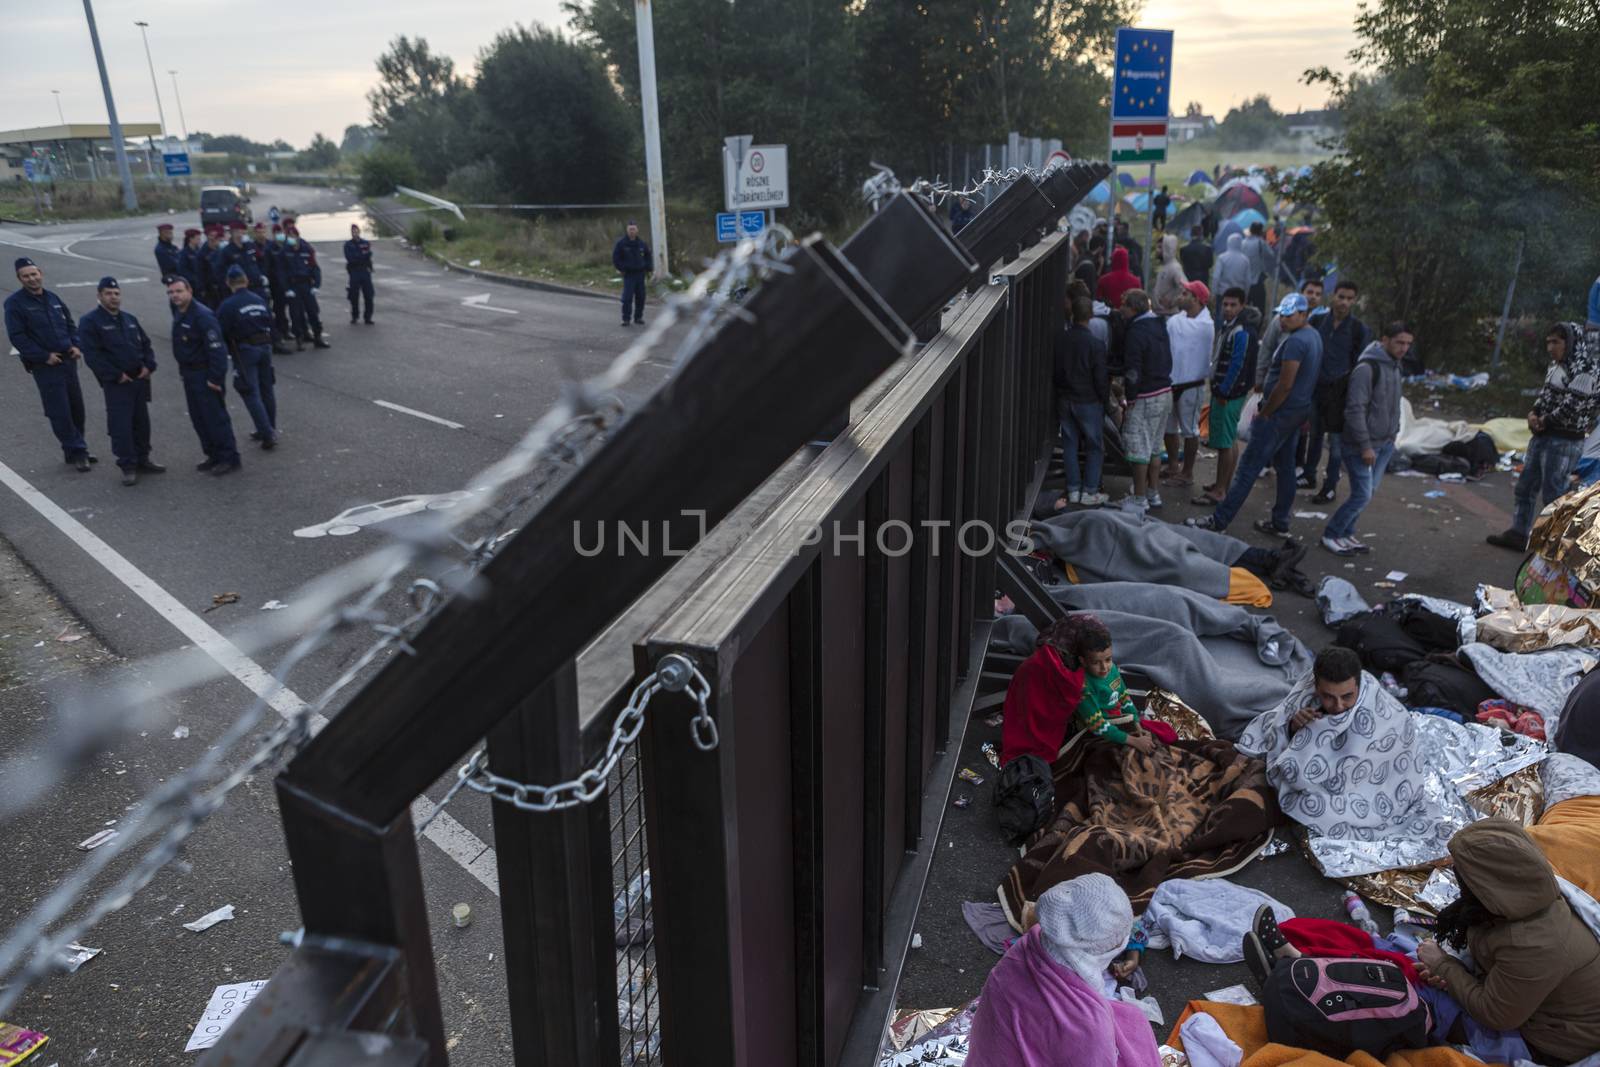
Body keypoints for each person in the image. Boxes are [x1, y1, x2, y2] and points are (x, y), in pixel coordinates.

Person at [1416, 819, 1600, 1066]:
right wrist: (1452, 968)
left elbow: (1496, 1014)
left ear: (1486, 884)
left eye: (1462, 873)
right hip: (1535, 1007)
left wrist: (1444, 966)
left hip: (1555, 1041)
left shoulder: (1533, 944)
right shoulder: (1524, 898)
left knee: (1422, 1009)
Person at [967, 874, 1163, 1067]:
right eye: (1121, 939)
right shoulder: (1089, 1025)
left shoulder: (1028, 945)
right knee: (1136, 1025)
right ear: (1101, 951)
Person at [1186, 291, 1322, 534]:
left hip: (1279, 413)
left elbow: (1285, 384)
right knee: (1286, 467)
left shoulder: (1297, 342)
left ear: (1304, 314)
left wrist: (1266, 412)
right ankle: (1280, 522)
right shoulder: (1312, 336)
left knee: (1247, 470)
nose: (1283, 320)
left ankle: (1219, 521)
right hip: (1295, 412)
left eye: (1289, 316)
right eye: (1282, 315)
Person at [1488, 323, 1600, 550]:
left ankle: (1553, 543)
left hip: (1565, 441)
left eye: (1555, 342)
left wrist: (1544, 421)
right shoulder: (1556, 366)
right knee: (1526, 486)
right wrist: (1533, 414)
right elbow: (1545, 395)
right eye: (1548, 342)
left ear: (1570, 343)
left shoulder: (1586, 370)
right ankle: (1519, 533)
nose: (1550, 347)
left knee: (1555, 494)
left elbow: (1574, 406)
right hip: (1543, 436)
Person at [1322, 322, 1410, 556]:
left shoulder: (1395, 366)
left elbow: (1394, 403)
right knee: (1362, 494)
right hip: (1363, 444)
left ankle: (1347, 532)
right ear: (1385, 340)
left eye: (1408, 344)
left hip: (1385, 443)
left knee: (1367, 492)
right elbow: (1354, 409)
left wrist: (1394, 432)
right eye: (1399, 342)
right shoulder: (1367, 368)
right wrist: (1365, 446)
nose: (1404, 348)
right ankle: (1331, 533)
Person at [5, 258, 95, 471]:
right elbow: (18, 337)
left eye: (34, 274)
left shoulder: (53, 298)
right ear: (19, 279)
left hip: (68, 361)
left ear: (41, 273)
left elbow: (70, 324)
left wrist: (76, 345)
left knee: (76, 409)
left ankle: (73, 449)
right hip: (46, 365)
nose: (31, 279)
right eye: (26, 276)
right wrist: (44, 356)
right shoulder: (15, 304)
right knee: (59, 411)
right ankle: (78, 451)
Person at [77, 277, 164, 486]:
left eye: (116, 293)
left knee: (142, 423)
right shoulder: (90, 322)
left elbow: (145, 344)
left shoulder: (129, 319)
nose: (113, 297)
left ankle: (143, 459)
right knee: (121, 426)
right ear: (99, 296)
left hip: (139, 380)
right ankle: (128, 465)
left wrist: (148, 366)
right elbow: (93, 356)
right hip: (117, 383)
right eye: (108, 293)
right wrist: (116, 375)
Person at [1302, 280, 1371, 501]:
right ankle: (1308, 474)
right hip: (1316, 388)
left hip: (1341, 395)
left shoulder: (1359, 329)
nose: (1344, 302)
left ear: (1355, 301)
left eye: (1350, 299)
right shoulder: (1317, 321)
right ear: (1333, 296)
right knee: (1314, 435)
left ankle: (1330, 486)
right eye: (1341, 297)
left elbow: (1361, 364)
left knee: (1336, 444)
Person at [165, 275, 240, 475]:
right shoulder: (180, 312)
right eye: (171, 292)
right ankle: (213, 454)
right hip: (190, 374)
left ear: (190, 291)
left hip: (205, 374)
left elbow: (217, 349)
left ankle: (228, 457)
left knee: (215, 418)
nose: (175, 296)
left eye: (179, 291)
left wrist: (215, 378)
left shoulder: (202, 315)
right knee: (199, 418)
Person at [1195, 287, 1259, 505]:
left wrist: (1224, 390)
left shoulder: (1240, 331)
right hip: (1227, 391)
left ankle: (1220, 490)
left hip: (1229, 394)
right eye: (1226, 304)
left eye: (1233, 305)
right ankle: (1222, 484)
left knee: (1224, 443)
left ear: (1242, 305)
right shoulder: (1229, 327)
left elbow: (1237, 364)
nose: (1229, 309)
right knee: (1228, 439)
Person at [1071, 614, 1166, 755]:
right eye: (1096, 662)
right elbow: (1098, 726)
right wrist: (1133, 741)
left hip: (1119, 719)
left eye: (1108, 659)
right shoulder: (1084, 686)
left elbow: (1123, 696)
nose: (1104, 668)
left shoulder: (1113, 669)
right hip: (1099, 727)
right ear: (1083, 661)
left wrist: (1136, 723)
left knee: (1163, 734)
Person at [1117, 289, 1173, 512]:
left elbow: (1133, 369)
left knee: (1139, 447)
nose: (1120, 309)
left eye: (1123, 305)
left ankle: (1139, 500)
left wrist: (1129, 398)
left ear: (1133, 307)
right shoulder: (1159, 326)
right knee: (1155, 448)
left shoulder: (1136, 331)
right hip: (1165, 391)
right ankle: (1153, 493)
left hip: (1146, 396)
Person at [1054, 294, 1110, 507]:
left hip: (1066, 397)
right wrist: (1104, 400)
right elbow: (1100, 378)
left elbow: (1057, 371)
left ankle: (1073, 489)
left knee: (1070, 443)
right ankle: (1090, 490)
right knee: (1095, 446)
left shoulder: (1061, 339)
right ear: (1091, 315)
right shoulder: (1096, 345)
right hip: (1088, 400)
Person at [217, 265, 280, 449]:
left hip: (245, 350)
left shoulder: (228, 305)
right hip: (265, 347)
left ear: (228, 283)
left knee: (250, 392)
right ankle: (269, 427)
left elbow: (221, 330)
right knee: (266, 389)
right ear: (246, 280)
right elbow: (271, 321)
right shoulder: (259, 299)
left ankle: (267, 433)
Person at [1162, 281, 1213, 489]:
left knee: (1189, 430)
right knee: (1169, 427)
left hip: (1191, 384)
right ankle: (1174, 466)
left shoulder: (1205, 326)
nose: (1181, 296)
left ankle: (1188, 472)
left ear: (1197, 299)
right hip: (1172, 381)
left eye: (1186, 293)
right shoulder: (1177, 320)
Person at [1257, 277, 1323, 392]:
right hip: (1276, 378)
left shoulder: (1321, 322)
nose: (1313, 297)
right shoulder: (1281, 319)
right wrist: (1259, 377)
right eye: (1310, 292)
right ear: (1301, 293)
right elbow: (1267, 347)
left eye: (1318, 294)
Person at [279, 227, 331, 350]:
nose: (292, 238)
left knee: (313, 312)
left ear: (297, 235)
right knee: (295, 314)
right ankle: (299, 339)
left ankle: (318, 337)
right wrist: (286, 289)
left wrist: (316, 285)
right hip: (293, 286)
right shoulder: (285, 252)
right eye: (289, 235)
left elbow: (315, 268)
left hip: (306, 285)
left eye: (293, 235)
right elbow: (281, 272)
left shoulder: (307, 249)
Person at [613, 221, 651, 327]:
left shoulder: (642, 244)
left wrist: (648, 268)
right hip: (629, 274)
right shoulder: (621, 244)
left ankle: (638, 317)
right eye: (630, 229)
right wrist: (621, 268)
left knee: (641, 297)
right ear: (627, 230)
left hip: (640, 274)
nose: (632, 231)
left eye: (634, 229)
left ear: (637, 230)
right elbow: (616, 259)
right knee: (627, 298)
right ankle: (626, 319)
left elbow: (648, 257)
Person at [1150, 233, 1188, 317]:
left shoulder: (1174, 267)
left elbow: (1185, 288)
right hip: (1160, 314)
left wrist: (1172, 302)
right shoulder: (1166, 266)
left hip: (1169, 315)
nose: (1157, 250)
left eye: (1160, 247)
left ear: (1167, 249)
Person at [343, 223, 375, 325]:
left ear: (359, 231)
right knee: (354, 296)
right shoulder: (348, 245)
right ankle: (355, 316)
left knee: (369, 295)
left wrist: (362, 257)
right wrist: (362, 256)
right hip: (354, 272)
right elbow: (350, 259)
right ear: (351, 233)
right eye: (353, 231)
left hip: (365, 271)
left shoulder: (365, 243)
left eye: (356, 231)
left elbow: (368, 255)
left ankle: (368, 317)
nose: (355, 233)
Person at [1095, 246, 1140, 313]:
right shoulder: (1136, 281)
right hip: (1128, 318)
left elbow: (1098, 300)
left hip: (1108, 316)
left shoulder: (1103, 280)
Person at [1210, 232, 1251, 304]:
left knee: (1221, 313)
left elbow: (1216, 277)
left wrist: (1214, 293)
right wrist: (1246, 294)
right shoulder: (1245, 260)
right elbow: (1248, 280)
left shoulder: (1222, 257)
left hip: (1223, 292)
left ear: (1228, 242)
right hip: (1238, 293)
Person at [1240, 221, 1270, 313]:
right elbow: (1270, 255)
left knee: (1244, 307)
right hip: (1257, 281)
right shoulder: (1261, 242)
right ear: (1260, 231)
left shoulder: (1243, 242)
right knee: (1259, 308)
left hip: (1244, 281)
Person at [199, 225, 228, 309]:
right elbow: (200, 273)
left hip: (223, 285)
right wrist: (203, 289)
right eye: (212, 235)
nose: (214, 238)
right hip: (211, 288)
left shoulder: (221, 249)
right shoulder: (203, 253)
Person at [177, 228, 205, 297]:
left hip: (202, 283)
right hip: (193, 285)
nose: (199, 241)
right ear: (191, 239)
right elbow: (182, 270)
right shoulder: (184, 253)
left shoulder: (199, 251)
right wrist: (196, 279)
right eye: (197, 239)